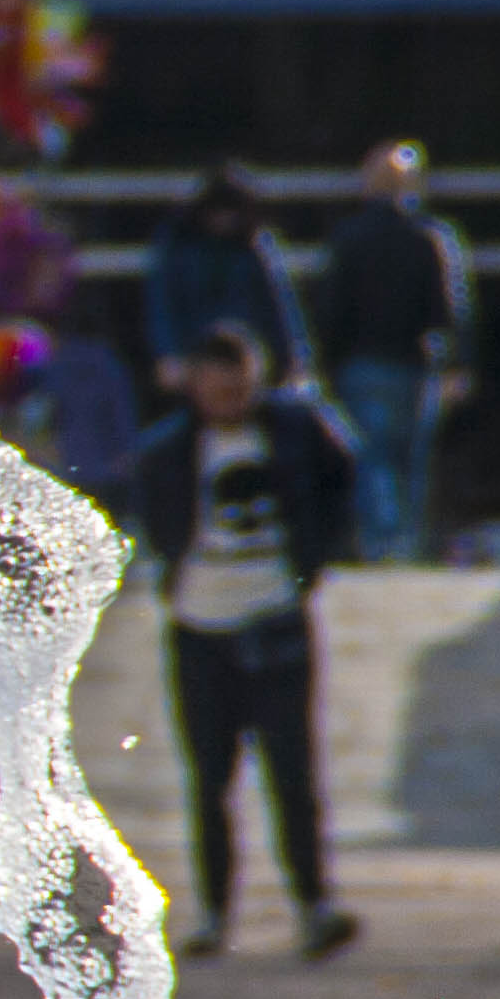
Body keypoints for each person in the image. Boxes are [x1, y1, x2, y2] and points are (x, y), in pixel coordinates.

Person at [130, 323, 362, 961]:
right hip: (201, 624)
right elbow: (154, 513)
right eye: (217, 383)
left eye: (239, 384)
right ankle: (213, 913)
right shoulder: (170, 448)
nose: (229, 395)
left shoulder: (293, 431)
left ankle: (314, 905)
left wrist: (312, 561)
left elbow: (345, 477)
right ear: (197, 385)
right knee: (209, 778)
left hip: (275, 616)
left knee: (292, 771)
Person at [317, 138, 474, 562]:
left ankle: (377, 542)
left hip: (361, 364)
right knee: (410, 461)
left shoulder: (349, 238)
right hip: (415, 365)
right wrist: (457, 365)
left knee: (371, 458)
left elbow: (333, 307)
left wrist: (324, 363)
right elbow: (449, 309)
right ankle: (406, 543)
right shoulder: (430, 239)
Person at [142, 166, 312, 396]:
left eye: (231, 211)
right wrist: (168, 355)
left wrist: (297, 360)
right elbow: (162, 305)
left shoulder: (260, 247)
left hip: (254, 362)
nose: (224, 219)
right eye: (217, 211)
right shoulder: (177, 248)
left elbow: (284, 305)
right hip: (197, 361)